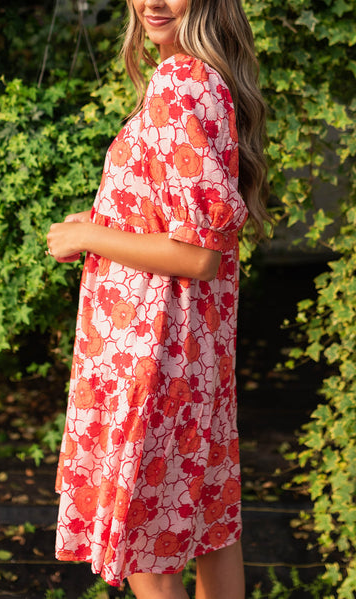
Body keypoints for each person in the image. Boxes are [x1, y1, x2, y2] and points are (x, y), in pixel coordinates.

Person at [47, 0, 269, 596]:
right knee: (209, 531)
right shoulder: (203, 80)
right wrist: (103, 218)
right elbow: (175, 222)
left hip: (151, 360)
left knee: (153, 547)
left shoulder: (180, 82)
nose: (152, 1)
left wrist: (85, 235)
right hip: (188, 361)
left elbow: (199, 255)